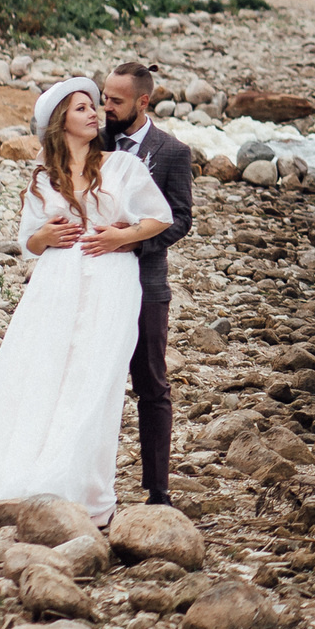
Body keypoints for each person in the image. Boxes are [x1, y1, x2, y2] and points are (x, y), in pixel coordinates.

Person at [0, 77, 173, 526]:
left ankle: (80, 485)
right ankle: (25, 467)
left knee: (96, 378)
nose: (95, 114)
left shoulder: (123, 167)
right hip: (56, 285)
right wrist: (45, 236)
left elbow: (160, 217)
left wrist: (122, 236)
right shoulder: (42, 178)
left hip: (112, 281)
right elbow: (28, 240)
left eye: (95, 107)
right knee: (44, 371)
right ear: (60, 124)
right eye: (81, 108)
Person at [97, 59, 193, 506]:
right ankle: (92, 481)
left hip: (146, 284)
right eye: (103, 97)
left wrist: (131, 244)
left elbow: (180, 220)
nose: (105, 106)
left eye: (115, 100)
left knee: (151, 384)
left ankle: (158, 490)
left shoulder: (172, 152)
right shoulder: (92, 141)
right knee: (92, 379)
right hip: (92, 279)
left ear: (143, 101)